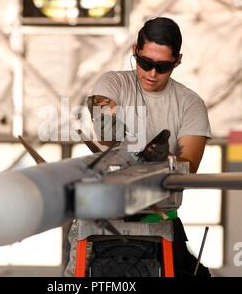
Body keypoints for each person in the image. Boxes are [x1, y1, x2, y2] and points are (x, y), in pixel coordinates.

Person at [65, 17, 212, 277]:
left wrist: (163, 159)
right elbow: (107, 132)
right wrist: (137, 149)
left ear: (178, 61)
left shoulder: (190, 104)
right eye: (146, 63)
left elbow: (187, 168)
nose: (152, 73)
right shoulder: (112, 83)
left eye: (163, 66)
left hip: (159, 219)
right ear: (135, 51)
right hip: (101, 217)